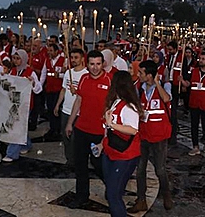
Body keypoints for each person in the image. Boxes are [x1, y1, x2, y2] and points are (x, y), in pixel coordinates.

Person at [65, 50, 112, 209]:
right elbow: (78, 100)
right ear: (87, 63)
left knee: (99, 165)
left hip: (99, 132)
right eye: (92, 64)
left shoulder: (109, 80)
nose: (95, 67)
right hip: (81, 129)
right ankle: (81, 196)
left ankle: (112, 187)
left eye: (98, 64)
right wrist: (70, 123)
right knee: (80, 165)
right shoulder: (84, 78)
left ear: (103, 63)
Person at [127, 60, 173, 213]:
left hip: (159, 135)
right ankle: (141, 200)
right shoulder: (138, 87)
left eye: (141, 72)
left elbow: (166, 99)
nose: (138, 75)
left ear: (149, 75)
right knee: (140, 169)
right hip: (143, 133)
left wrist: (157, 83)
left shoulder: (164, 86)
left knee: (160, 169)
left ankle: (166, 194)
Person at [96, 71, 143, 217]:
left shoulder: (129, 107)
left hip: (125, 155)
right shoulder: (115, 102)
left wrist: (112, 124)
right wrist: (102, 144)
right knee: (113, 190)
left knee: (113, 195)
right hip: (111, 151)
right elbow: (108, 128)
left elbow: (133, 129)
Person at [3, 49, 43, 162]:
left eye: (18, 58)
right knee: (20, 127)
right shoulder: (13, 71)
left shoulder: (31, 72)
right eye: (14, 58)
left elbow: (39, 89)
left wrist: (33, 83)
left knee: (16, 127)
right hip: (15, 103)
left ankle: (11, 153)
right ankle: (26, 144)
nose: (15, 61)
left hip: (25, 104)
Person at [54, 48, 87, 167]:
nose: (73, 60)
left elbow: (86, 95)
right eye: (72, 58)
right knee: (65, 137)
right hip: (66, 109)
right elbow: (63, 89)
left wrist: (77, 91)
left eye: (76, 58)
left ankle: (76, 160)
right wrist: (58, 104)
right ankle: (69, 159)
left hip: (78, 112)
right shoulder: (68, 73)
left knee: (75, 139)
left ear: (82, 59)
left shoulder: (86, 74)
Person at [43, 43, 65, 141]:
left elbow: (67, 75)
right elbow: (44, 73)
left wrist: (59, 76)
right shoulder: (47, 60)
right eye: (48, 50)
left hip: (58, 89)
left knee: (56, 110)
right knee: (50, 109)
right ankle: (52, 128)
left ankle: (57, 129)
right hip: (49, 89)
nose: (49, 53)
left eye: (51, 51)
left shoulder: (63, 60)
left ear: (56, 51)